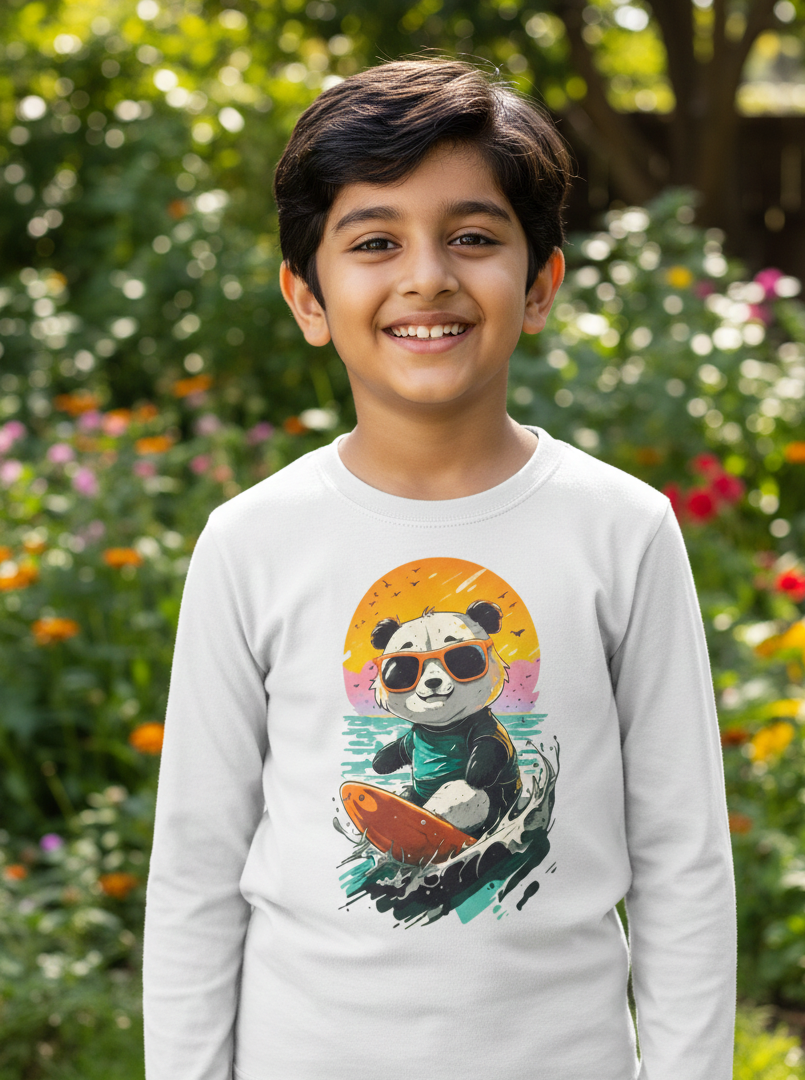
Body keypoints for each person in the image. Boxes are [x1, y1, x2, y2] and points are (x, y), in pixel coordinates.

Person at [143, 58, 736, 1080]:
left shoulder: (622, 530)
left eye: (472, 236)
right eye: (375, 241)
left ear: (539, 284)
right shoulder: (252, 542)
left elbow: (683, 858)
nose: (427, 276)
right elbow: (196, 870)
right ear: (307, 296)